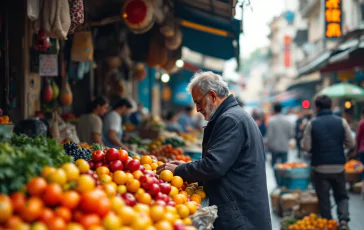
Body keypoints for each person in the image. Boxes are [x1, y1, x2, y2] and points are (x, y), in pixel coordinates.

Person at [157, 71, 271, 230]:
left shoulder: (231, 119)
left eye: (198, 102)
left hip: (240, 214)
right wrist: (186, 166)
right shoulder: (233, 116)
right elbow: (220, 161)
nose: (197, 109)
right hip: (240, 209)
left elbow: (214, 166)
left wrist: (180, 170)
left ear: (212, 95)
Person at [301, 95, 355, 230]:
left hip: (320, 168)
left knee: (324, 198)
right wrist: (340, 147)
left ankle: (328, 224)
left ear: (317, 107)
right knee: (342, 196)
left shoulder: (312, 123)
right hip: (338, 167)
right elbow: (351, 143)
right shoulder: (341, 122)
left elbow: (306, 147)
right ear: (331, 106)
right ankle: (343, 220)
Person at [267, 103, 294, 171]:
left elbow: (269, 136)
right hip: (284, 146)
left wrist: (269, 146)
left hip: (274, 147)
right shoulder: (287, 120)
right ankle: (283, 180)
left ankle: (278, 180)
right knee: (284, 166)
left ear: (274, 110)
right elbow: (291, 134)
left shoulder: (271, 120)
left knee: (274, 166)